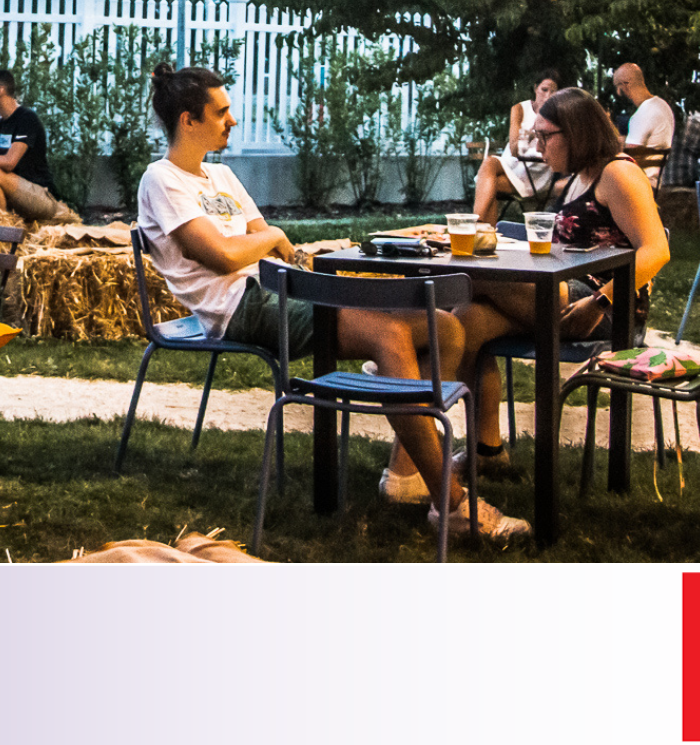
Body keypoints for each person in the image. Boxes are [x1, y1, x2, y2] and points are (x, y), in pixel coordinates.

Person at [137, 64, 529, 542]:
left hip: (280, 287)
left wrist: (266, 242)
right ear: (188, 121)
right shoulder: (162, 180)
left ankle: (405, 475)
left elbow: (261, 246)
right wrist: (272, 237)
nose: (232, 120)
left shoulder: (221, 176)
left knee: (445, 328)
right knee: (390, 333)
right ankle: (451, 502)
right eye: (221, 112)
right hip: (239, 306)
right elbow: (221, 256)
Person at [458, 87, 670, 433]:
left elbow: (657, 250)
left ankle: (402, 333)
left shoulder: (618, 174)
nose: (538, 147)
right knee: (463, 322)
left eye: (544, 136)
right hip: (561, 290)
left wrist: (599, 302)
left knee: (474, 275)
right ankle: (486, 448)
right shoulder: (578, 176)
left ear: (576, 133)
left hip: (606, 309)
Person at [0, 68, 64, 219]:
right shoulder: (3, 123)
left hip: (41, 195)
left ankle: (1, 229)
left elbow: (9, 162)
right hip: (16, 190)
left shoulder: (27, 118)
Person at [470, 70, 561, 219]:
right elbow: (514, 149)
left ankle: (478, 227)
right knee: (489, 164)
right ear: (535, 88)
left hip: (536, 175)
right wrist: (531, 131)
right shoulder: (520, 109)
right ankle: (480, 226)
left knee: (488, 184)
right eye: (544, 90)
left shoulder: (559, 115)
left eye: (553, 92)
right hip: (513, 166)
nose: (548, 96)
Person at [613, 62, 675, 183]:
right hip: (656, 182)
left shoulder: (641, 115)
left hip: (638, 185)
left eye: (618, 87)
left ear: (626, 85)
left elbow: (629, 160)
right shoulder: (663, 106)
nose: (618, 93)